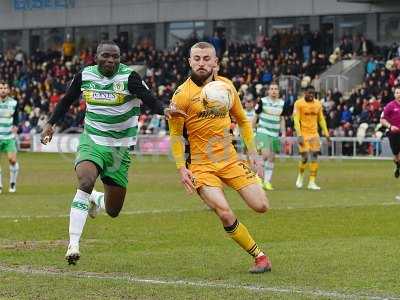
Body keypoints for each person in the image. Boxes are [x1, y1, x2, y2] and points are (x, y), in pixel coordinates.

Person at [41, 41, 165, 265]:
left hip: (119, 150)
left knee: (113, 210)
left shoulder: (130, 78)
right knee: (85, 181)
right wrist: (50, 124)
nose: (110, 60)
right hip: (93, 140)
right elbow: (67, 100)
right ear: (95, 57)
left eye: (115, 57)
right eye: (106, 56)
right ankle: (73, 244)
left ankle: (96, 199)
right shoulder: (85, 75)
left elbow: (150, 100)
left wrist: (166, 111)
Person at [167, 42, 271, 273]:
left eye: (206, 58)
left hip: (230, 160)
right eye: (197, 58)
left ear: (215, 62)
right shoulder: (181, 95)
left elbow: (243, 120)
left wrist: (253, 154)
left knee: (261, 206)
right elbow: (175, 134)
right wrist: (180, 168)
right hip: (201, 166)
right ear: (189, 62)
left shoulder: (226, 87)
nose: (201, 63)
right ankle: (260, 257)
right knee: (224, 213)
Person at [293, 85, 330, 190]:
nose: (311, 95)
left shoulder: (318, 104)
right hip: (303, 134)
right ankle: (300, 175)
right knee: (304, 157)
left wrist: (326, 134)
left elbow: (321, 119)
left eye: (313, 94)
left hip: (314, 134)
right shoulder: (299, 104)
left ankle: (311, 182)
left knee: (314, 156)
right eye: (309, 93)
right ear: (305, 93)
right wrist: (299, 134)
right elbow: (296, 120)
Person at [254, 82, 287, 190]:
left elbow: (282, 119)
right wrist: (251, 129)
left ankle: (267, 182)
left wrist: (284, 133)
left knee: (272, 158)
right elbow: (256, 116)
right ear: (268, 91)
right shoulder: (262, 101)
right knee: (265, 154)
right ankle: (258, 178)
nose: (273, 91)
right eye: (271, 89)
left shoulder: (282, 103)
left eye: (275, 89)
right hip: (263, 131)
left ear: (278, 91)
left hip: (274, 133)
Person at [0, 82, 19, 193]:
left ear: (8, 90)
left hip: (9, 137)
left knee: (12, 160)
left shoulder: (14, 103)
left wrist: (16, 126)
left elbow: (16, 117)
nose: (3, 90)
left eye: (5, 88)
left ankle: (12, 183)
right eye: (1, 88)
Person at [380, 86, 400, 188]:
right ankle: (397, 166)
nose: (399, 94)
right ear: (394, 94)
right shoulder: (390, 106)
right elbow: (382, 120)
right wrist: (390, 126)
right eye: (397, 92)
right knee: (396, 155)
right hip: (394, 134)